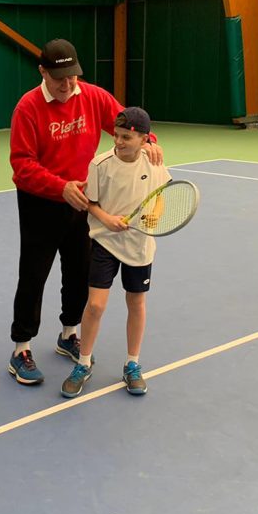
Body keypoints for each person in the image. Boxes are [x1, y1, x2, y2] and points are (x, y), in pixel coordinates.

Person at [7, 38, 163, 385]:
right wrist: (59, 186)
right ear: (42, 72)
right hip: (41, 201)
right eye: (59, 78)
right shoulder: (28, 108)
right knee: (34, 274)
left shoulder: (93, 97)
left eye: (72, 76)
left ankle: (68, 334)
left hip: (86, 199)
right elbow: (21, 165)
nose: (67, 85)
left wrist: (150, 141)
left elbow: (128, 124)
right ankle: (21, 348)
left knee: (78, 270)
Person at [61, 107, 170, 399]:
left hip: (139, 245)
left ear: (145, 140)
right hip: (105, 242)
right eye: (116, 136)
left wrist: (155, 216)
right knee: (95, 306)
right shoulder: (100, 164)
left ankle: (132, 364)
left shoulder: (154, 163)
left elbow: (159, 196)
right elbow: (91, 204)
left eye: (126, 137)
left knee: (136, 302)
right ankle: (83, 363)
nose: (118, 142)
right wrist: (107, 219)